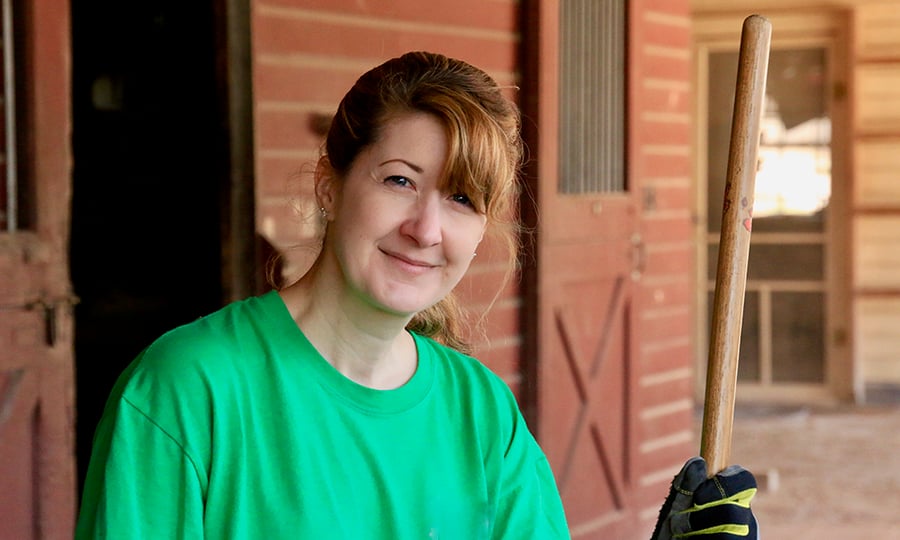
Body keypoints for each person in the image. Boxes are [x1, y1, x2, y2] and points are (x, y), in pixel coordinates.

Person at [75, 51, 756, 539]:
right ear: (330, 184)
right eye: (399, 180)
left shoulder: (481, 413)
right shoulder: (187, 390)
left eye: (461, 199)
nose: (426, 229)